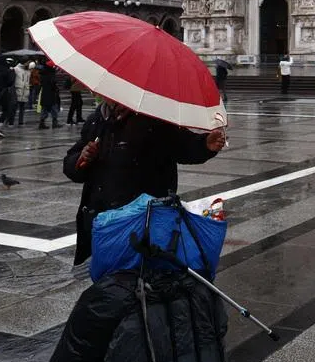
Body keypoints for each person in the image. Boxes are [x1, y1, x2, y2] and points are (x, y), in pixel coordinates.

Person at [62, 100, 227, 266]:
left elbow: (183, 146)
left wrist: (205, 144)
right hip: (102, 221)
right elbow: (71, 166)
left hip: (139, 221)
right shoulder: (97, 120)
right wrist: (82, 158)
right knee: (104, 280)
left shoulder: (154, 120)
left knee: (135, 278)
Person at [38, 60, 61, 129]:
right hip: (51, 94)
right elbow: (53, 84)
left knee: (44, 109)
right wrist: (56, 88)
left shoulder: (43, 74)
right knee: (54, 108)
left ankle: (42, 123)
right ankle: (55, 123)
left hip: (44, 94)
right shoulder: (51, 75)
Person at [12, 59, 30, 126]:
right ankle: (11, 121)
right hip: (17, 90)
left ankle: (21, 121)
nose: (29, 63)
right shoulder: (16, 69)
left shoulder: (28, 70)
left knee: (22, 108)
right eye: (28, 62)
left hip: (25, 90)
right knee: (14, 107)